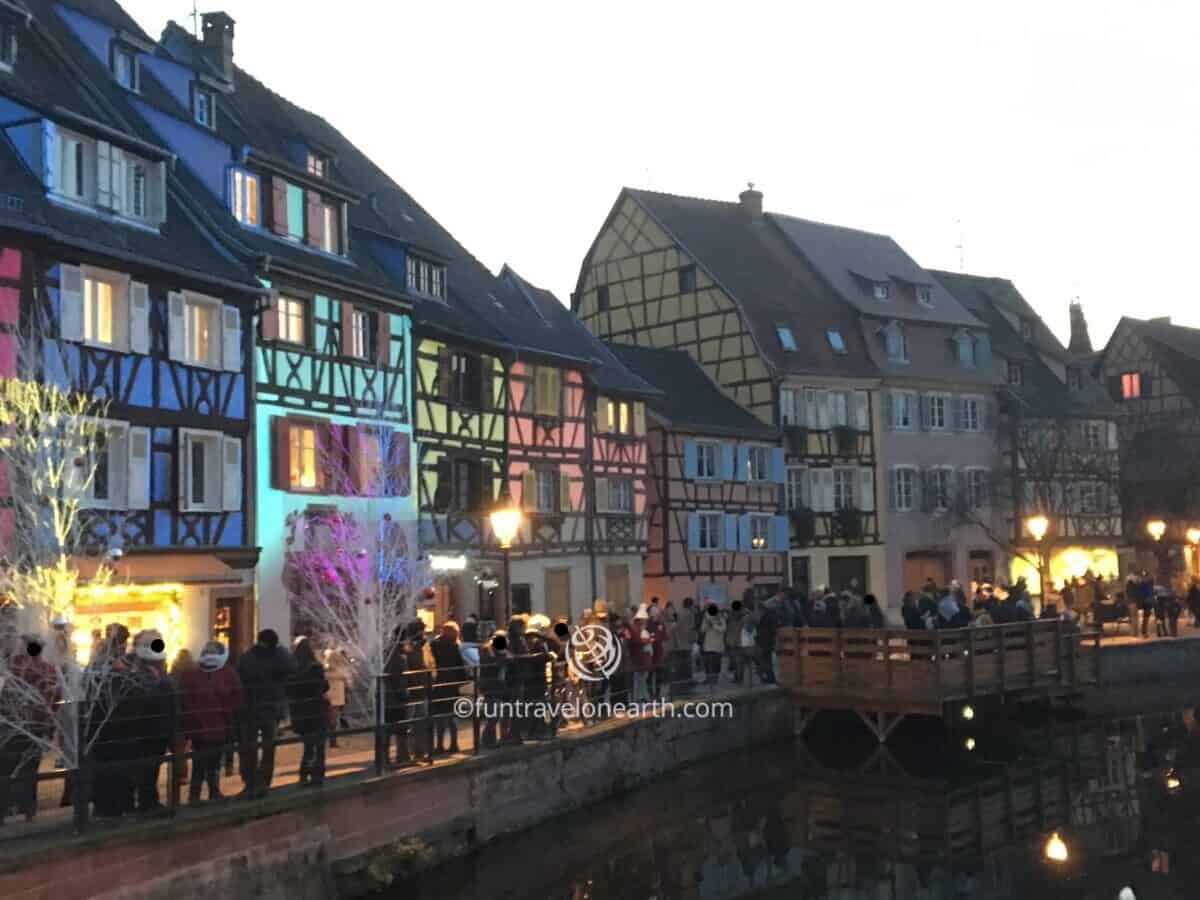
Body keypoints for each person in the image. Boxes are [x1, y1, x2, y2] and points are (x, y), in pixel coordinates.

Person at [0, 634, 59, 823]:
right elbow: (53, 702)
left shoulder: (15, 668)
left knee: (7, 769)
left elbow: (5, 698)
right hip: (36, 729)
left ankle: (6, 810)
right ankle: (28, 809)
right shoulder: (48, 670)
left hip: (14, 727)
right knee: (29, 769)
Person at [180, 641, 242, 805]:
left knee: (199, 762)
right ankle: (212, 792)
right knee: (213, 762)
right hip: (218, 725)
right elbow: (236, 697)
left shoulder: (191, 674)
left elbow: (185, 700)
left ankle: (195, 795)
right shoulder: (228, 673)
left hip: (199, 726)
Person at [237, 628, 297, 797]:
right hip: (271, 708)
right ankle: (264, 783)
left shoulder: (248, 658)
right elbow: (292, 668)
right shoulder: (279, 656)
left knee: (249, 747)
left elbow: (240, 675)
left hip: (251, 707)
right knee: (268, 747)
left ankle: (250, 782)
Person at [127, 630, 175, 814]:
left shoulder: (154, 674)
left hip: (156, 729)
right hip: (147, 729)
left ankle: (149, 801)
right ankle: (147, 803)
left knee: (151, 767)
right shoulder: (142, 676)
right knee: (145, 768)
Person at [287, 638, 329, 787]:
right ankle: (317, 775)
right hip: (316, 711)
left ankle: (304, 775)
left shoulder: (293, 669)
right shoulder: (316, 668)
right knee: (319, 745)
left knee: (307, 746)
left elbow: (289, 690)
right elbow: (325, 687)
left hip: (300, 713)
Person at [430, 623, 465, 754]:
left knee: (440, 717)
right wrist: (462, 680)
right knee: (452, 716)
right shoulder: (454, 646)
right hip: (451, 685)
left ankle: (439, 745)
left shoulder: (434, 645)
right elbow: (460, 666)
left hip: (439, 684)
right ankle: (454, 744)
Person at [169, 649, 196, 786]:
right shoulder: (194, 673)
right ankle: (183, 776)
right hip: (189, 714)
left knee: (178, 747)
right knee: (184, 747)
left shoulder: (173, 674)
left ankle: (178, 775)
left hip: (176, 714)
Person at [324, 647, 352, 748]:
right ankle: (333, 741)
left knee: (331, 720)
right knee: (333, 721)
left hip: (329, 697)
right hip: (336, 698)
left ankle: (331, 740)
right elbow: (348, 683)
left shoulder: (326, 671)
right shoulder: (339, 672)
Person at [700, 601, 725, 685]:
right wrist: (707, 624)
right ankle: (708, 679)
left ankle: (715, 679)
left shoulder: (720, 617)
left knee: (716, 664)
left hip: (717, 646)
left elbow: (723, 629)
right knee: (707, 664)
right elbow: (702, 629)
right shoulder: (706, 618)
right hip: (708, 645)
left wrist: (714, 625)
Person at [725, 600, 747, 684]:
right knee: (738, 662)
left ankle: (738, 678)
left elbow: (729, 630)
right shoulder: (743, 617)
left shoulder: (732, 617)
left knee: (736, 662)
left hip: (735, 642)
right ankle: (738, 678)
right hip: (739, 642)